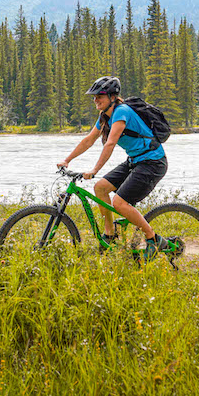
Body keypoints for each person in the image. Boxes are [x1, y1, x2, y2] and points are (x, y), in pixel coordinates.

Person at [57, 75, 172, 258]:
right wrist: (67, 160)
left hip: (152, 162)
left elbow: (110, 143)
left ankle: (153, 239)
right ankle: (110, 235)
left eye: (99, 96)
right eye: (94, 96)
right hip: (135, 160)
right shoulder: (105, 117)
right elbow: (89, 140)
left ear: (112, 97)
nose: (95, 100)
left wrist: (94, 170)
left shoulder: (121, 112)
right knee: (100, 187)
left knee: (119, 202)